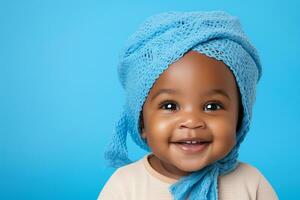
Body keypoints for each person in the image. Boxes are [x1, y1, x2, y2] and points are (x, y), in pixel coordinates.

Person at [98, 11, 278, 200]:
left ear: (240, 118)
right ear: (141, 122)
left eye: (212, 106)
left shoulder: (251, 183)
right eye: (169, 106)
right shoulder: (126, 186)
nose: (192, 122)